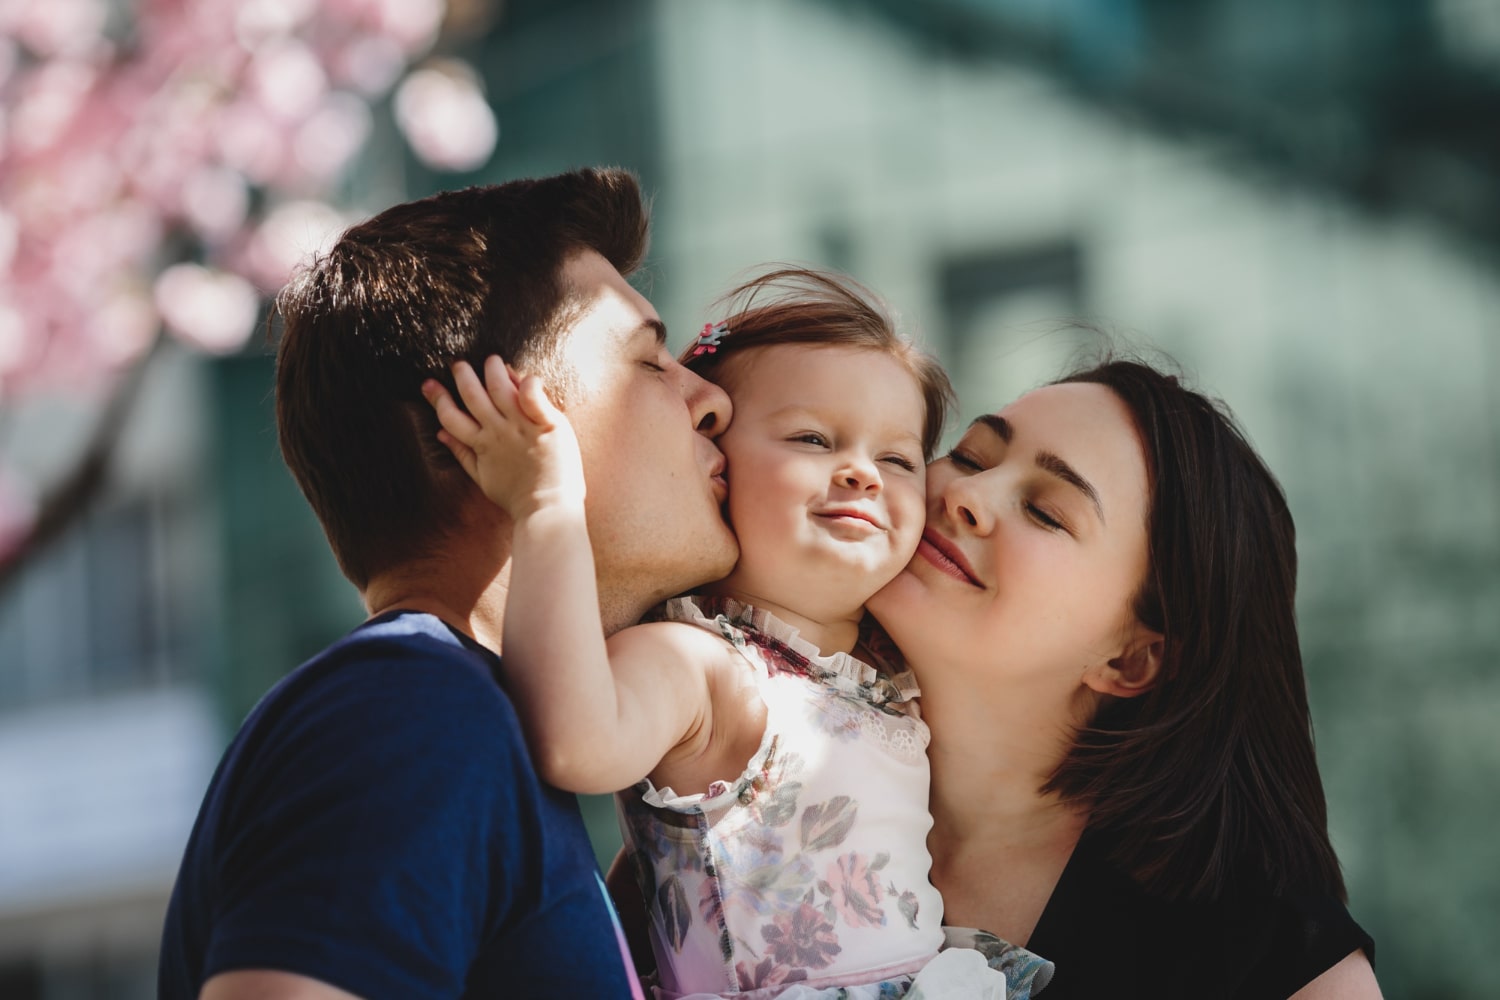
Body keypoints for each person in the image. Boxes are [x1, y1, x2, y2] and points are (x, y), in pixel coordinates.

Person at [158, 169, 741, 999]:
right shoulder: (411, 710)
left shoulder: (469, 721)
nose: (711, 400)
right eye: (650, 361)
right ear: (478, 422)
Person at [425, 269, 1047, 999]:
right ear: (714, 462)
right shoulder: (703, 665)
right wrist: (545, 505)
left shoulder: (883, 670)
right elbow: (575, 743)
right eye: (813, 439)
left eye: (898, 458)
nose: (861, 474)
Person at [865, 358, 1382, 998]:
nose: (966, 494)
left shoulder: (1260, 954)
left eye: (1047, 512)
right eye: (971, 456)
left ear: (1129, 660)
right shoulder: (750, 753)